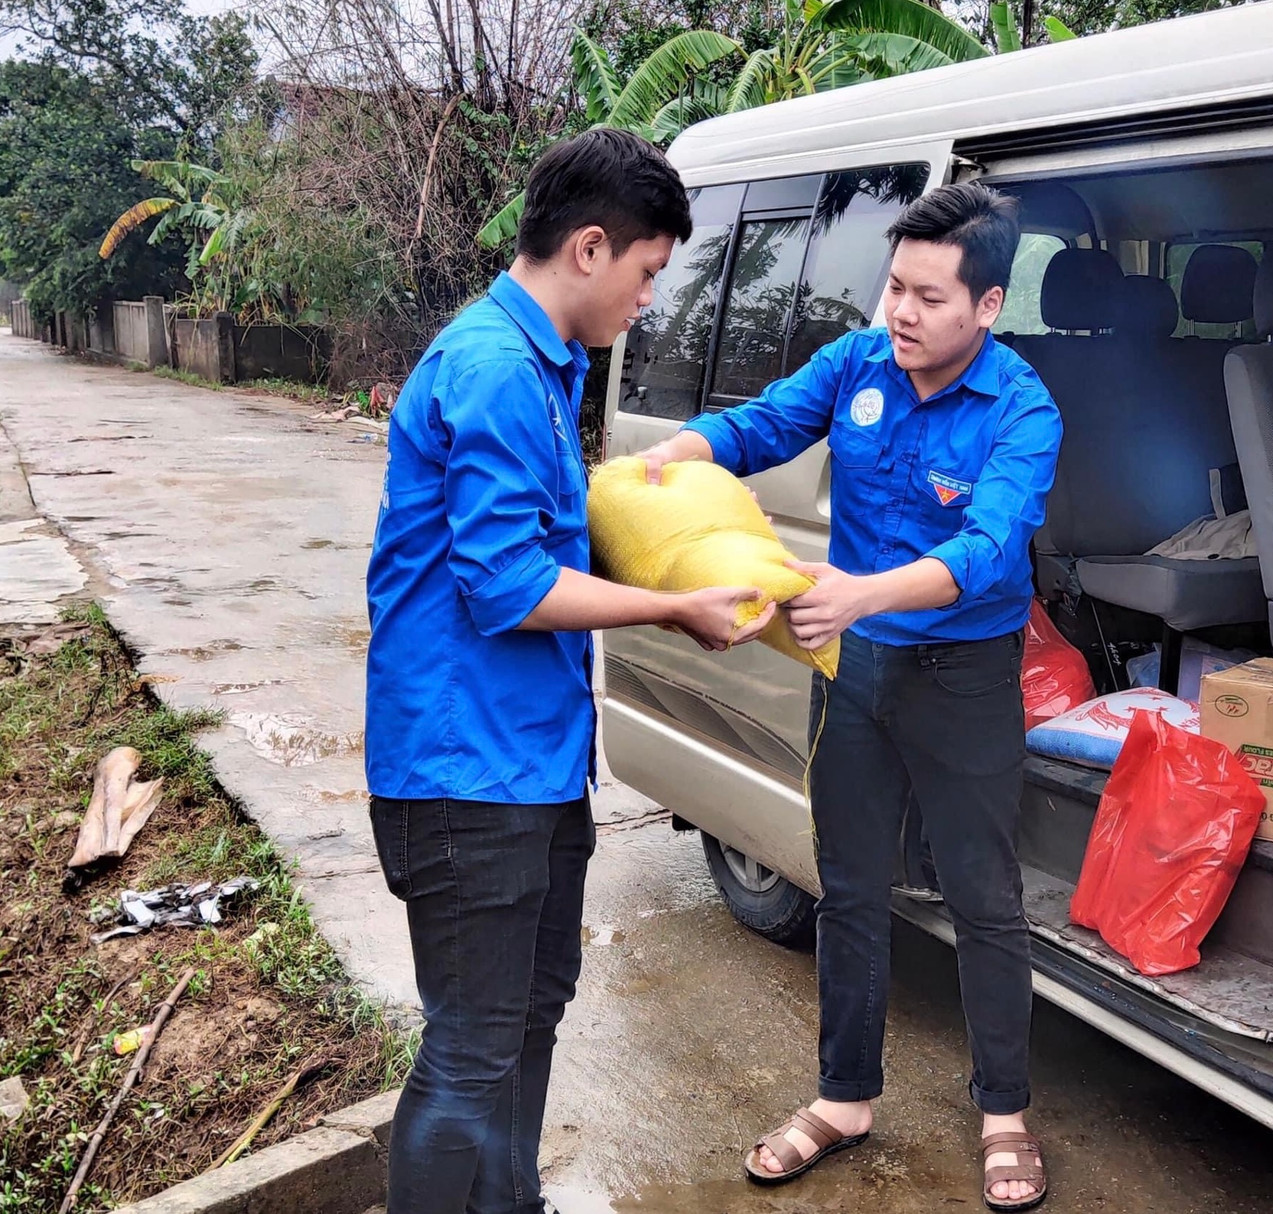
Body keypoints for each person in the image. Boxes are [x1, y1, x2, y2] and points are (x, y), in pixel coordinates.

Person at [364, 128, 775, 1214]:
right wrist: (674, 605)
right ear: (590, 248)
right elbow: (508, 586)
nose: (648, 299)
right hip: (464, 773)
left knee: (530, 1007)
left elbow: (544, 544)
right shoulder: (497, 367)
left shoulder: (541, 364)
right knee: (471, 1044)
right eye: (647, 273)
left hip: (528, 763)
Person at [641, 181, 1062, 1211]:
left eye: (928, 296)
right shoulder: (857, 363)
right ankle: (842, 1097)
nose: (901, 313)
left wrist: (860, 591)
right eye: (893, 288)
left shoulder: (1023, 409)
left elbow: (986, 546)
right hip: (855, 669)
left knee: (983, 896)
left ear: (988, 306)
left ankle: (1004, 1112)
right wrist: (680, 449)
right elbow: (765, 425)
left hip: (963, 674)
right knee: (850, 885)